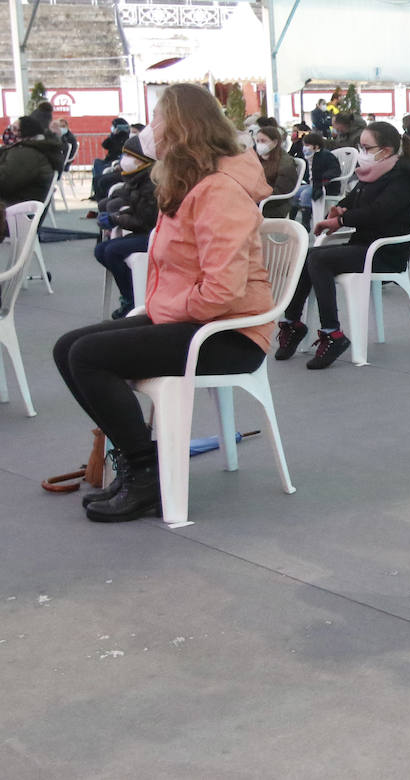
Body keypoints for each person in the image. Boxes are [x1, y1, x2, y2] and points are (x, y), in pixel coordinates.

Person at [52, 84, 274, 522]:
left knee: (89, 357)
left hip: (229, 333)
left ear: (183, 130)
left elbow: (221, 291)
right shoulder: (194, 182)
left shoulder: (220, 190)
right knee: (68, 348)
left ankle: (146, 472)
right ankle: (144, 463)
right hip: (195, 318)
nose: (151, 130)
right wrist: (159, 310)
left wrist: (160, 311)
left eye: (159, 120)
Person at [274, 122, 410, 370]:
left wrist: (342, 220)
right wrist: (341, 210)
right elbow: (355, 199)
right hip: (365, 246)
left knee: (319, 260)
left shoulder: (403, 178)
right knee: (306, 255)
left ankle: (332, 333)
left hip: (384, 252)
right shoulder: (374, 173)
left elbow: (378, 212)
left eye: (366, 147)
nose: (362, 152)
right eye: (360, 146)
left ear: (385, 150)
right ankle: (292, 323)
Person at [93, 136, 158, 318]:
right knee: (102, 250)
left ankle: (131, 298)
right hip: (143, 231)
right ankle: (129, 293)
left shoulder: (151, 183)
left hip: (151, 234)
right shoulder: (136, 178)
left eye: (129, 156)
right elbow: (123, 199)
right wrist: (112, 209)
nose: (124, 161)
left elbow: (146, 220)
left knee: (112, 251)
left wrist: (116, 219)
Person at [0, 115, 61, 228]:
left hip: (15, 215)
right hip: (19, 209)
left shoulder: (27, 154)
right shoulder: (32, 150)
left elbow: (5, 182)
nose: (9, 132)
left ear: (24, 132)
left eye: (14, 129)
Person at [253, 124, 297, 218]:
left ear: (275, 142)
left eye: (263, 141)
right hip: (259, 200)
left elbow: (281, 192)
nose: (259, 144)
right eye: (257, 141)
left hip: (273, 205)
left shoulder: (286, 163)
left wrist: (254, 198)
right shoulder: (258, 159)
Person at [296, 132, 341, 223]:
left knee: (305, 194)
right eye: (304, 145)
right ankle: (292, 220)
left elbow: (336, 170)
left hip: (327, 186)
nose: (304, 148)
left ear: (316, 146)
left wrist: (324, 178)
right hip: (313, 184)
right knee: (295, 192)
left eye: (307, 145)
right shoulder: (309, 157)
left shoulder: (326, 156)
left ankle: (306, 223)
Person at [91, 117, 130, 199]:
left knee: (101, 178)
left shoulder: (126, 138)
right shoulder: (113, 137)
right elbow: (105, 145)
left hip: (114, 162)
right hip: (109, 161)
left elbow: (118, 149)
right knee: (96, 163)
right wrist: (113, 134)